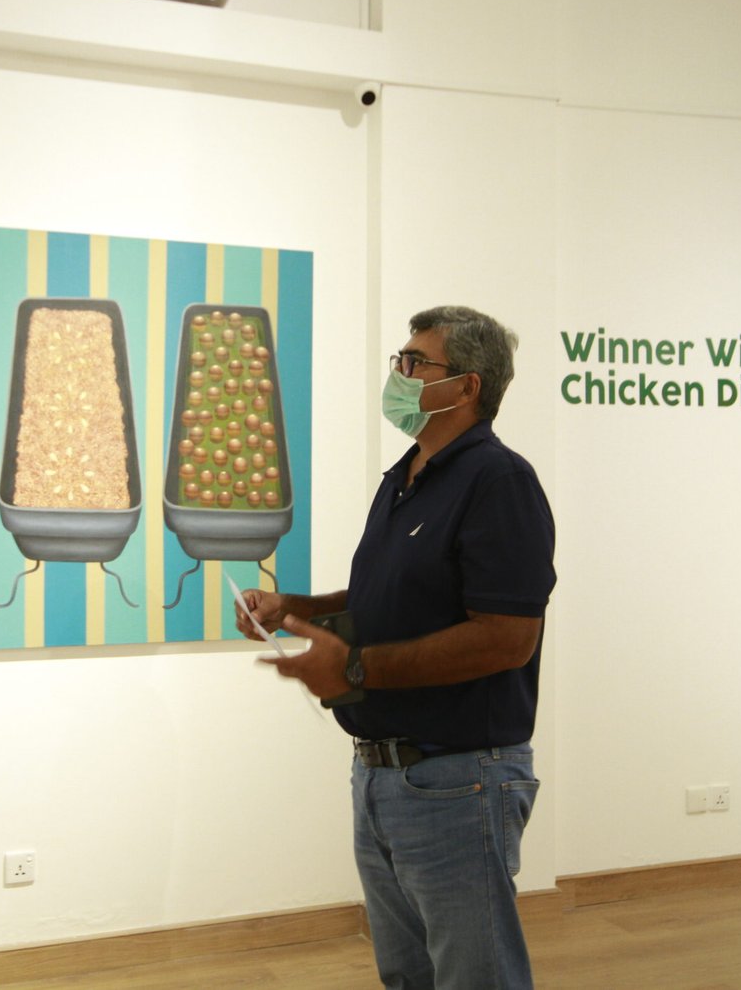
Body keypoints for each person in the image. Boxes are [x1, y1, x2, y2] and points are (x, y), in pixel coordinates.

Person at [236, 305, 556, 990]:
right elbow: (384, 602)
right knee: (408, 976)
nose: (399, 374)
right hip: (381, 777)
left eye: (415, 362)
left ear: (466, 386)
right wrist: (296, 608)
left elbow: (508, 637)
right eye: (400, 360)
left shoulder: (499, 481)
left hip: (458, 780)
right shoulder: (405, 478)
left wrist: (354, 667)